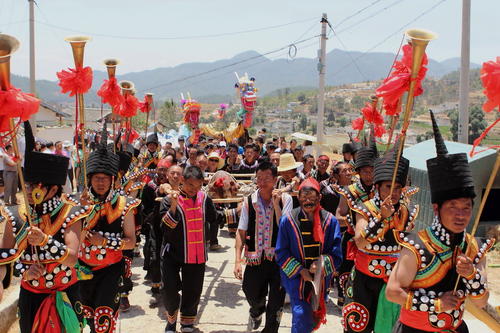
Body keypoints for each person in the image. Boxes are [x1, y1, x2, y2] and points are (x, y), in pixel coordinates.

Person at [386, 111, 493, 333]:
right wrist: (437, 304)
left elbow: (482, 302)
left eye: (466, 208)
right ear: (436, 208)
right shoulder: (416, 246)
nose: (460, 215)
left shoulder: (474, 247)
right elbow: (393, 292)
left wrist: (471, 274)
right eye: (452, 207)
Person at [0, 121, 92, 332]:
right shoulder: (15, 215)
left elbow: (72, 259)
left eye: (34, 186)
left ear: (51, 189)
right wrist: (24, 271)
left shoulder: (71, 214)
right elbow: (7, 257)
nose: (28, 190)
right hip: (30, 297)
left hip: (65, 296)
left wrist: (45, 241)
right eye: (28, 185)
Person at [342, 147, 419, 333]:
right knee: (357, 328)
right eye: (388, 187)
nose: (393, 193)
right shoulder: (365, 208)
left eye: (398, 188)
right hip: (363, 280)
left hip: (391, 283)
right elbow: (360, 242)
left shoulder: (406, 212)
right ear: (377, 187)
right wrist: (382, 219)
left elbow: (408, 248)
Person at [79, 124, 140, 333]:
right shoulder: (80, 205)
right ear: (89, 179)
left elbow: (131, 241)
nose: (101, 182)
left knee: (103, 324)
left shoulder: (125, 204)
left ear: (113, 179)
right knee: (81, 322)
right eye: (96, 177)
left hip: (110, 272)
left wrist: (104, 242)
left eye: (105, 178)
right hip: (82, 271)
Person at [276, 178, 343, 332]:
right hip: (296, 279)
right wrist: (301, 271)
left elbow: (337, 253)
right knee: (300, 314)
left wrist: (320, 264)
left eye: (312, 197)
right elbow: (281, 252)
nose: (308, 201)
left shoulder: (330, 221)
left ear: (319, 198)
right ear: (298, 197)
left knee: (312, 315)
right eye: (304, 197)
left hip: (319, 279)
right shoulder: (288, 220)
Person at [234, 162, 293, 333]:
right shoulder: (248, 201)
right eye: (259, 178)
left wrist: (276, 205)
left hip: (279, 261)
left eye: (267, 178)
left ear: (275, 180)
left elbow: (285, 228)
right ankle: (257, 310)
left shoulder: (286, 199)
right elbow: (241, 231)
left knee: (276, 303)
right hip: (255, 259)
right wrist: (237, 260)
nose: (262, 182)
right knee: (250, 291)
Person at [159, 166, 217, 333]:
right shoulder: (168, 200)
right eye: (191, 185)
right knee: (169, 290)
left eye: (199, 186)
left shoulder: (204, 199)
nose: (195, 190)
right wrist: (174, 205)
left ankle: (187, 323)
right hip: (172, 254)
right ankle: (171, 320)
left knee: (193, 290)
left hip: (196, 254)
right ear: (182, 181)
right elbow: (165, 228)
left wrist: (237, 212)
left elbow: (215, 218)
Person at [333, 139, 377, 307]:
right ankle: (345, 300)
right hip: (351, 239)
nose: (369, 175)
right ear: (358, 172)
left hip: (373, 242)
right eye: (365, 171)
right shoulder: (349, 191)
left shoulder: (380, 192)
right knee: (346, 270)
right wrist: (354, 223)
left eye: (372, 171)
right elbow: (338, 216)